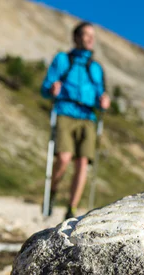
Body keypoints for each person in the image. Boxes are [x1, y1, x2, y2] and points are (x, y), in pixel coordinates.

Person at [41, 21, 110, 219]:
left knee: (82, 163)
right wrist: (51, 89)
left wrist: (103, 101)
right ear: (76, 37)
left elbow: (100, 94)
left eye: (92, 36)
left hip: (88, 116)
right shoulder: (62, 60)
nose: (90, 39)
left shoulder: (96, 68)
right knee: (63, 158)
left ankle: (71, 208)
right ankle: (53, 190)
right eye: (86, 35)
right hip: (65, 111)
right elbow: (45, 87)